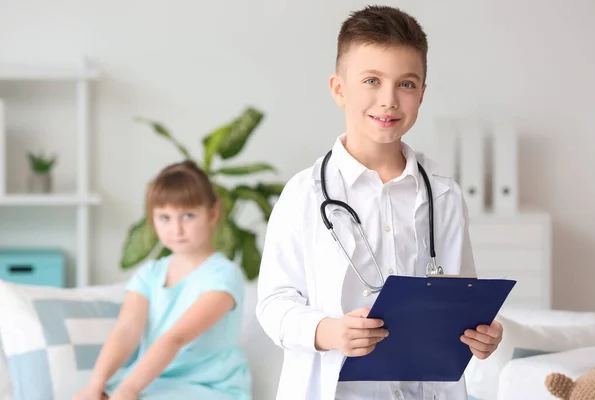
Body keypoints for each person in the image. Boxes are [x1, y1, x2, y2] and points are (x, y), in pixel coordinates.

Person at [255, 5, 503, 400]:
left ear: (422, 93)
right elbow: (273, 305)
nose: (389, 100)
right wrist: (328, 331)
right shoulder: (304, 194)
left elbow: (459, 295)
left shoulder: (443, 194)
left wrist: (481, 332)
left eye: (406, 84)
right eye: (372, 80)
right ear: (339, 88)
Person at [73, 160, 251, 400]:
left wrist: (128, 389)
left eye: (188, 215)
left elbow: (176, 338)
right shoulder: (150, 273)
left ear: (213, 213)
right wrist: (95, 384)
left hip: (209, 388)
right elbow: (126, 331)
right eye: (165, 217)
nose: (176, 229)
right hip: (153, 381)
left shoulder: (223, 275)